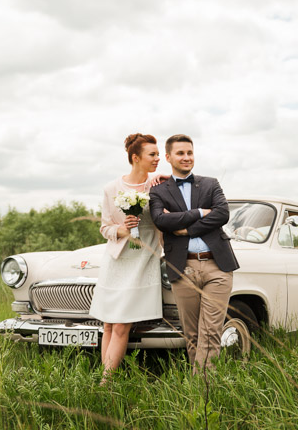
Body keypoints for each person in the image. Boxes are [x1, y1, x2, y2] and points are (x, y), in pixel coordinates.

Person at [149, 134, 239, 372]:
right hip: (183, 267)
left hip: (217, 266)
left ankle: (204, 387)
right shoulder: (159, 191)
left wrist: (185, 229)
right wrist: (200, 212)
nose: (186, 157)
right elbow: (160, 220)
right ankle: (200, 388)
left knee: (210, 330)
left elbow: (222, 214)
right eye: (180, 153)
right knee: (191, 333)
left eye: (190, 152)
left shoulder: (210, 183)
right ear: (168, 157)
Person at [89, 133, 165, 383]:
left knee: (122, 325)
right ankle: (106, 380)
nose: (157, 159)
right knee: (109, 324)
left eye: (157, 154)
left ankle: (105, 382)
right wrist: (122, 229)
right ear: (136, 157)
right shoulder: (112, 188)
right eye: (152, 155)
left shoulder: (156, 186)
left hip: (144, 258)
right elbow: (105, 228)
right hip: (118, 260)